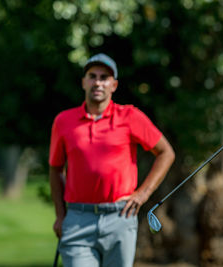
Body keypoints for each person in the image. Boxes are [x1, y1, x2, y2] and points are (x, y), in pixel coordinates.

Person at [49, 53, 175, 267]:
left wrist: (143, 194)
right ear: (83, 82)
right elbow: (55, 170)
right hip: (78, 219)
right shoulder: (63, 121)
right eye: (92, 76)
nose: (98, 82)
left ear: (114, 85)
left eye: (104, 77)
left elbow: (166, 152)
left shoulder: (130, 116)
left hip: (120, 217)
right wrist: (61, 216)